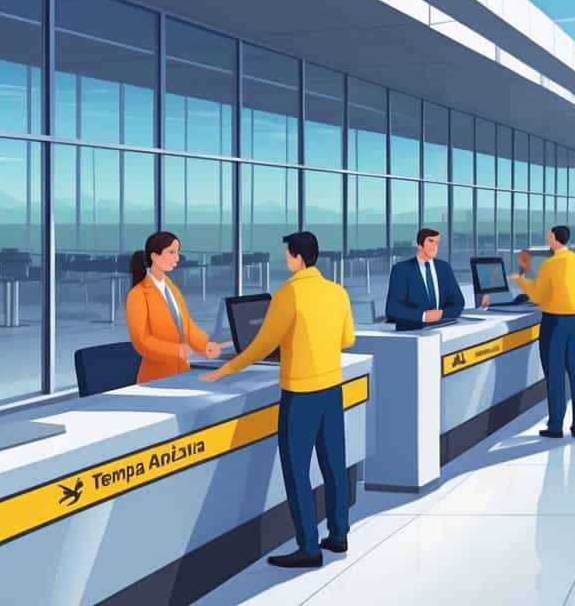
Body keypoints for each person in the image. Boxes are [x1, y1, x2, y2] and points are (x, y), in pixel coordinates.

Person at [201, 232, 355, 569]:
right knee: (333, 465)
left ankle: (309, 549)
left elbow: (259, 345)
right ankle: (339, 534)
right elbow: (347, 339)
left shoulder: (289, 294)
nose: (285, 260)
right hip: (332, 389)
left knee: (297, 471)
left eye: (287, 255)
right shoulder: (337, 292)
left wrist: (226, 368)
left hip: (300, 394)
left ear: (298, 258)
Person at [511, 225, 575, 439]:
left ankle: (556, 425)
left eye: (549, 236)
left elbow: (536, 295)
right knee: (574, 372)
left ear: (555, 239)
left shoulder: (551, 264)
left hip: (555, 323)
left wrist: (519, 281)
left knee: (554, 375)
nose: (547, 239)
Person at [125, 231, 222, 384]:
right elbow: (141, 341)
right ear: (154, 256)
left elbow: (187, 327)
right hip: (156, 378)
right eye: (171, 252)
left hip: (182, 372)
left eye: (178, 252)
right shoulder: (138, 295)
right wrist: (175, 350)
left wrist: (205, 345)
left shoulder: (172, 288)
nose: (177, 258)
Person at [385, 228, 465, 329]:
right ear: (419, 245)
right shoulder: (401, 270)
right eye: (431, 241)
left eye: (437, 242)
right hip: (413, 332)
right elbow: (392, 308)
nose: (435, 246)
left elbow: (458, 302)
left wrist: (442, 314)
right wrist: (423, 316)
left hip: (443, 328)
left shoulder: (444, 268)